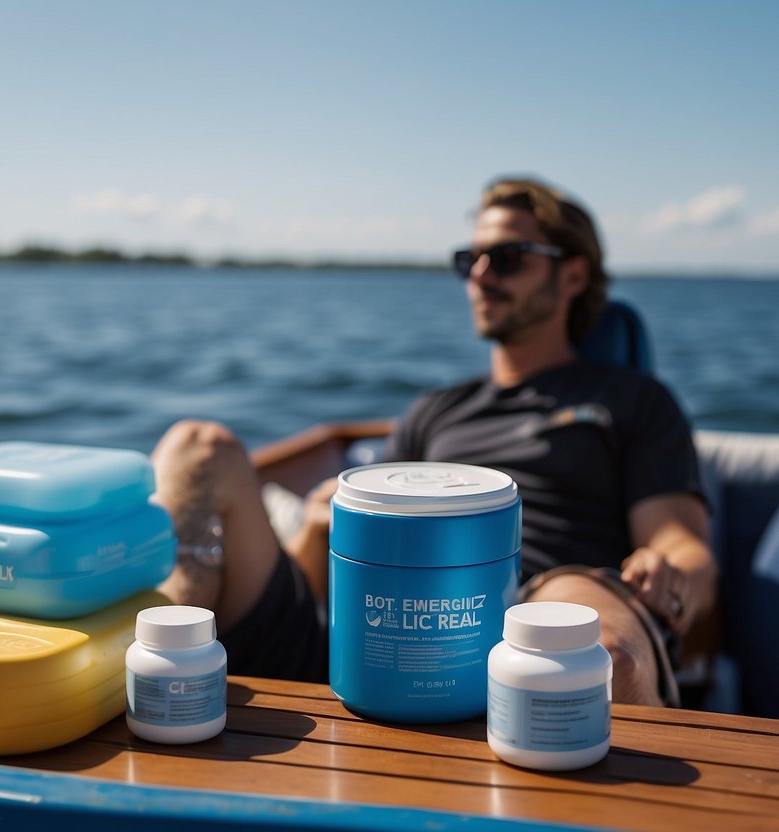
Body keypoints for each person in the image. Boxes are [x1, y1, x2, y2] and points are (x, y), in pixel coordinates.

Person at [151, 176, 717, 707]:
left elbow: (682, 547)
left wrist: (669, 575)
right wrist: (320, 531)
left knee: (594, 660)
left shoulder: (632, 401)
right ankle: (152, 678)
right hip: (380, 625)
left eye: (508, 258)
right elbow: (316, 585)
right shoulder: (435, 410)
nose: (481, 275)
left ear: (572, 276)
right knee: (198, 448)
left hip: (538, 598)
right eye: (469, 260)